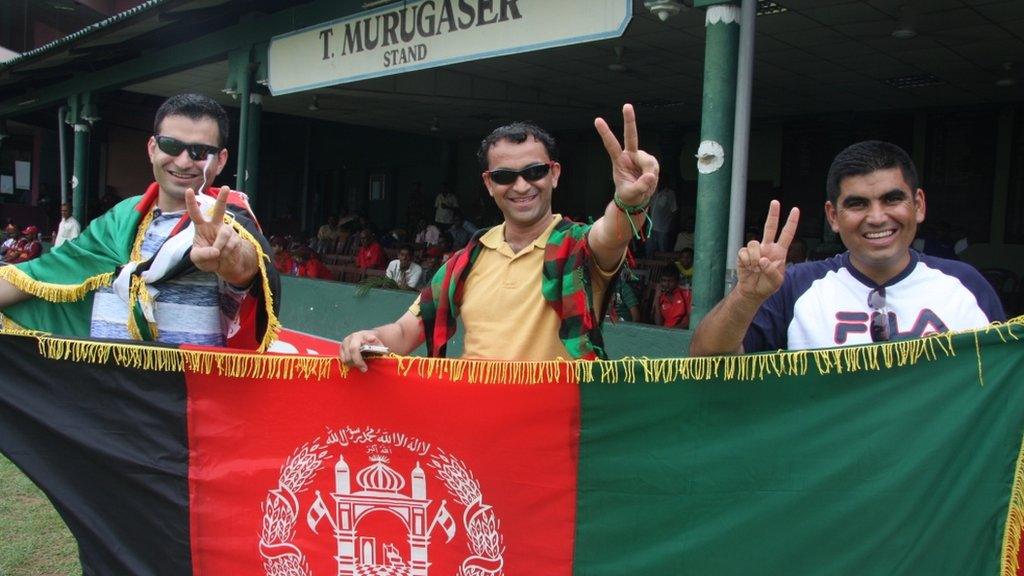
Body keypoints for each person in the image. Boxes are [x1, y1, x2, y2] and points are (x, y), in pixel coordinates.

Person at [340, 104, 659, 369]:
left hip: (552, 434)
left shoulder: (578, 247)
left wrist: (630, 202)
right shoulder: (466, 260)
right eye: (505, 176)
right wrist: (369, 338)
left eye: (535, 171)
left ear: (555, 174)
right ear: (489, 184)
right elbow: (403, 331)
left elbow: (612, 234)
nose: (521, 186)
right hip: (473, 429)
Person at [0, 93, 280, 350]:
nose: (183, 162)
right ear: (152, 148)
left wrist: (229, 260)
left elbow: (247, 265)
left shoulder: (227, 219)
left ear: (220, 161)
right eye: (171, 146)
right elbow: (38, 277)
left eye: (199, 152)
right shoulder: (119, 219)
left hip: (185, 395)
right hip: (103, 388)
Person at [689, 140, 1004, 355]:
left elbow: (1001, 386)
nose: (877, 217)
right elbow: (706, 358)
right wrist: (746, 297)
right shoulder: (794, 286)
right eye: (858, 204)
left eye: (892, 199)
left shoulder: (967, 286)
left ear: (918, 205)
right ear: (833, 217)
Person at [646, 181, 677, 256]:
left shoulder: (670, 193)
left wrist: (671, 225)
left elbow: (674, 210)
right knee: (648, 249)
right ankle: (650, 266)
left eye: (663, 179)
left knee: (663, 250)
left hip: (663, 228)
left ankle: (662, 267)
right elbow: (648, 207)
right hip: (650, 227)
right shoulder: (653, 191)